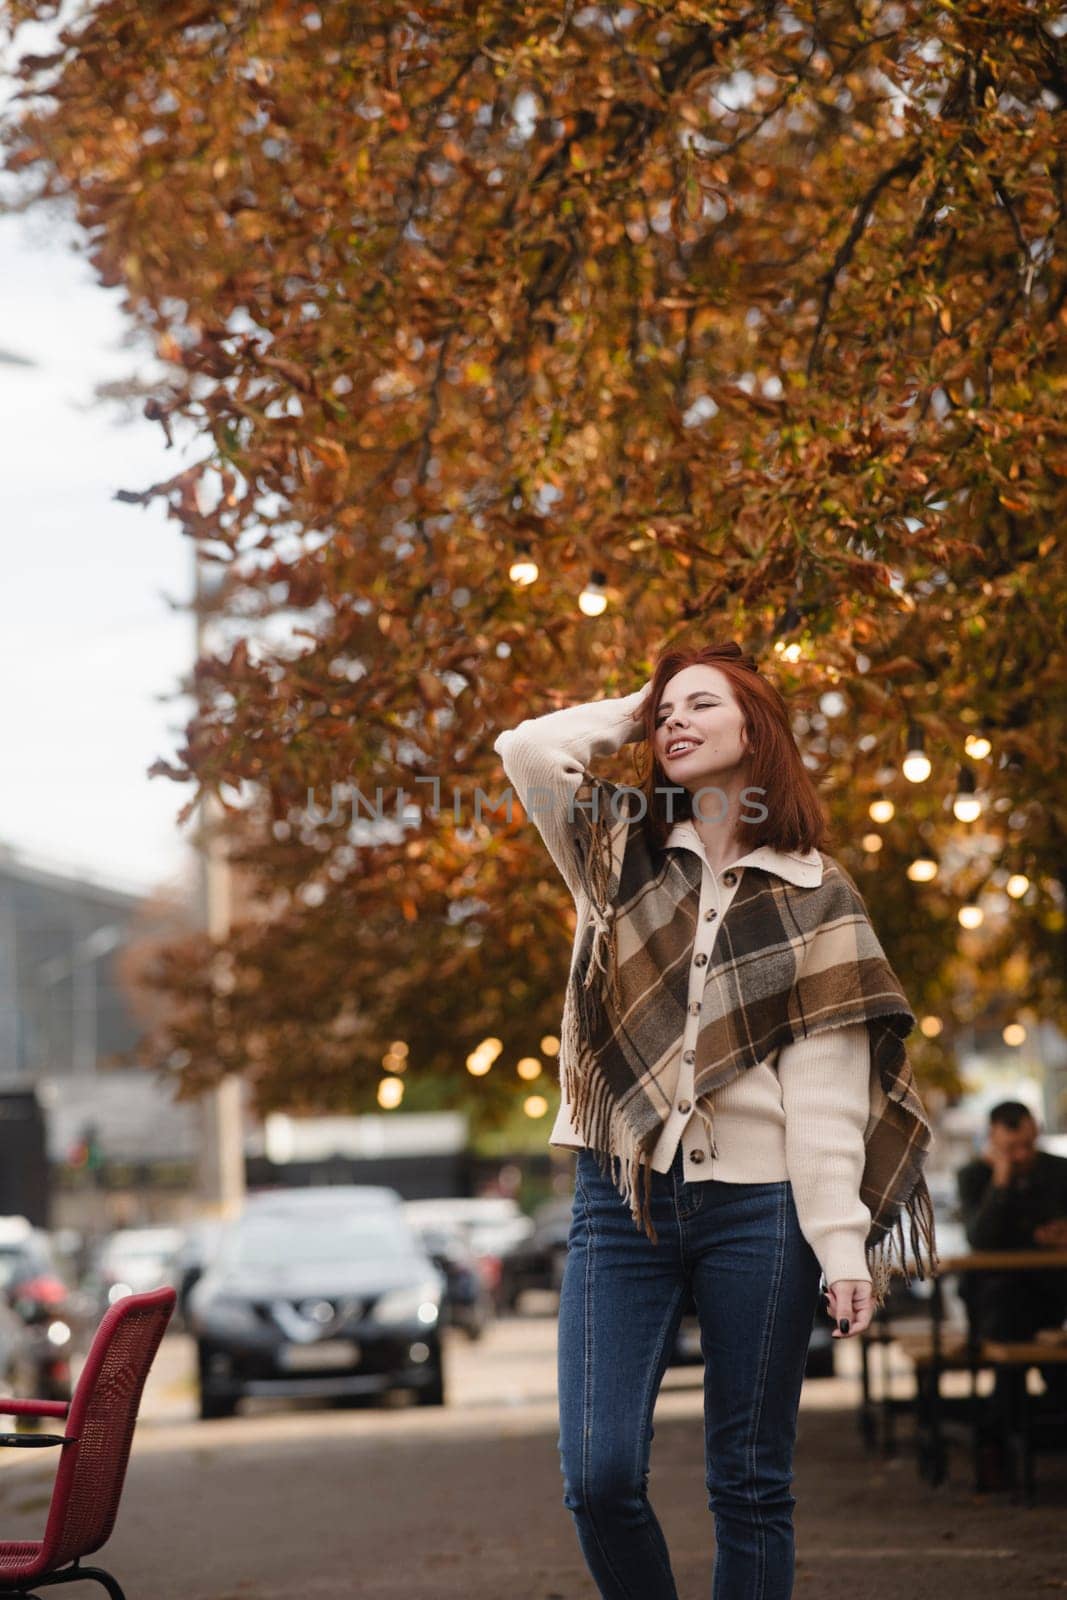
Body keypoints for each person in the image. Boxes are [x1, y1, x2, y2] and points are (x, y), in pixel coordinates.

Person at [493, 641, 937, 1600]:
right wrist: (636, 704)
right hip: (622, 1199)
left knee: (749, 1486)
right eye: (665, 715)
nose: (673, 723)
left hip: (761, 1209)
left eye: (701, 706)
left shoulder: (817, 897)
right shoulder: (614, 850)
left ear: (755, 732)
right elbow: (526, 748)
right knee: (598, 1475)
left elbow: (822, 1096)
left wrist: (843, 1244)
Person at [956, 1100, 1067, 1455]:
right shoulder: (974, 1176)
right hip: (996, 1298)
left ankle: (1001, 1445)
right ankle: (1008, 1444)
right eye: (1011, 1148)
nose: (1021, 1155)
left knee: (1037, 1370)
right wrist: (1001, 1182)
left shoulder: (1056, 1171)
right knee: (1013, 1353)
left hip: (1049, 1293)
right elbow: (980, 1236)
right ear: (993, 1140)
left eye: (1027, 1145)